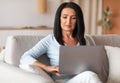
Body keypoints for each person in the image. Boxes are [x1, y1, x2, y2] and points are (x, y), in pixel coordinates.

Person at [19, 2, 108, 83]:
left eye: (73, 18)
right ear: (59, 19)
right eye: (65, 17)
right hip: (61, 81)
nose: (68, 22)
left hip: (81, 79)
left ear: (78, 21)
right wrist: (47, 68)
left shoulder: (85, 40)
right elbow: (25, 57)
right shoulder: (50, 40)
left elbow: (92, 66)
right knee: (90, 76)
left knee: (90, 74)